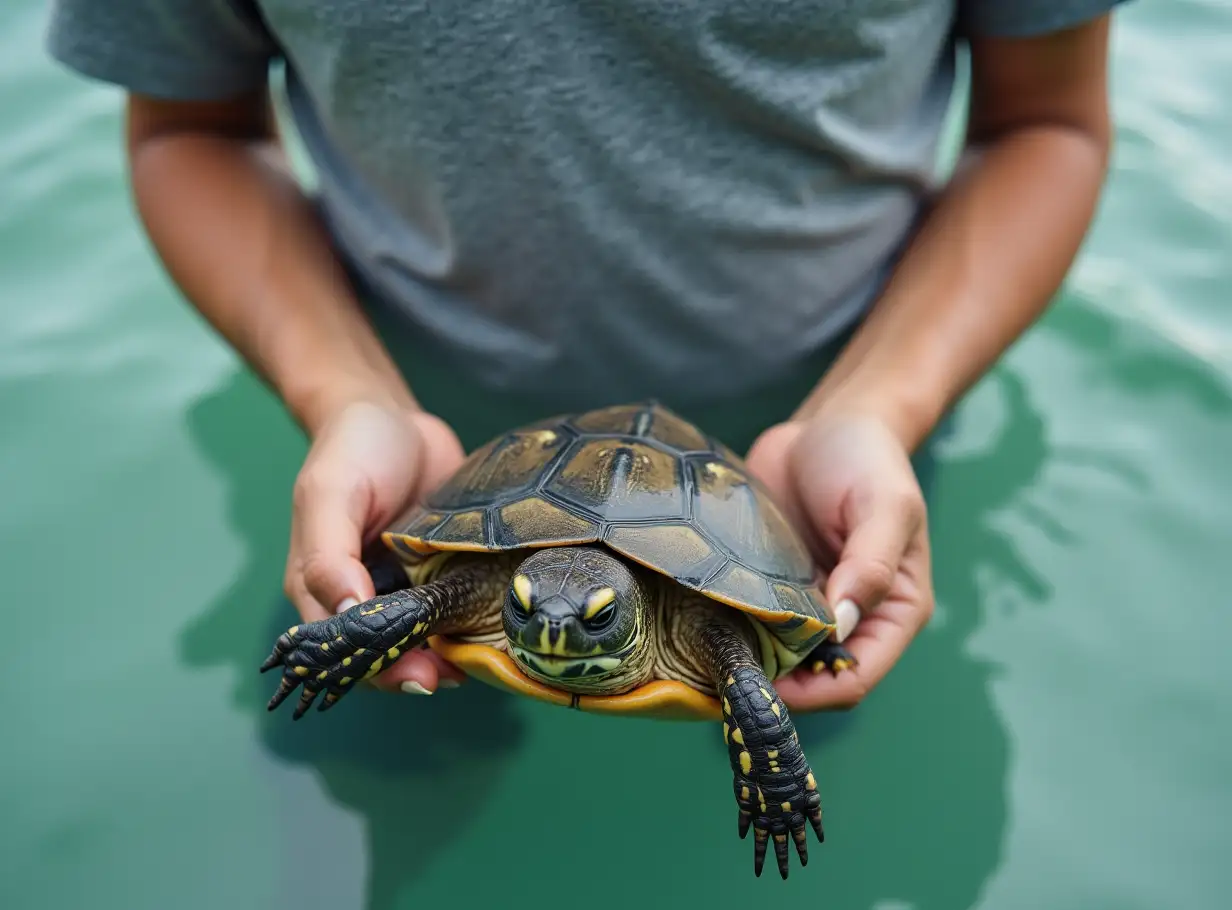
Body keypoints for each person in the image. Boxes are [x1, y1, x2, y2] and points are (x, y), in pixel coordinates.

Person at [47, 1, 1125, 707]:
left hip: (830, 469)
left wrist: (882, 407)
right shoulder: (501, 595)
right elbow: (193, 124)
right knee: (387, 728)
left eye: (581, 626)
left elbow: (1043, 123)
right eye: (544, 624)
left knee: (794, 713)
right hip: (412, 454)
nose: (555, 640)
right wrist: (341, 393)